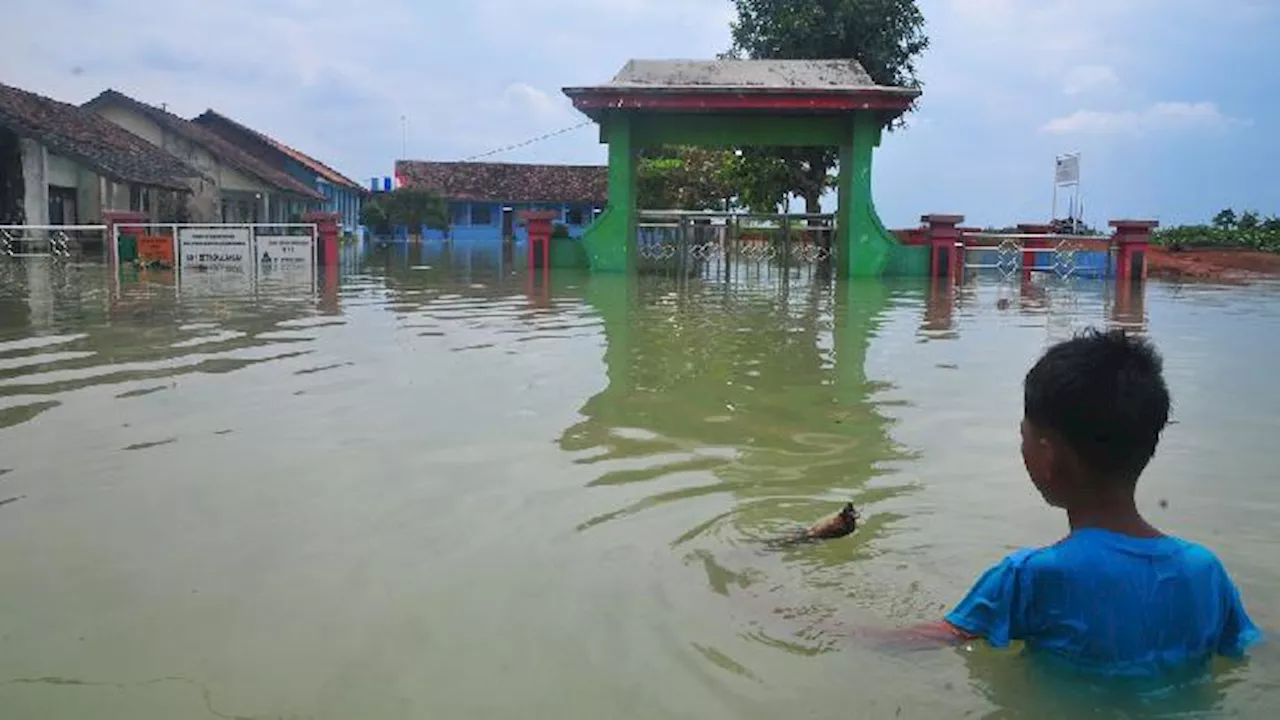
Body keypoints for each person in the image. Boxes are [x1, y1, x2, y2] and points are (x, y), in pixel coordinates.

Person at [897, 329, 1263, 677]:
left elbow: (923, 642)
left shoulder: (1030, 576)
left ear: (1048, 457)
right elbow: (1247, 651)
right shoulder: (1206, 572)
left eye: (1024, 436)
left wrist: (841, 629)